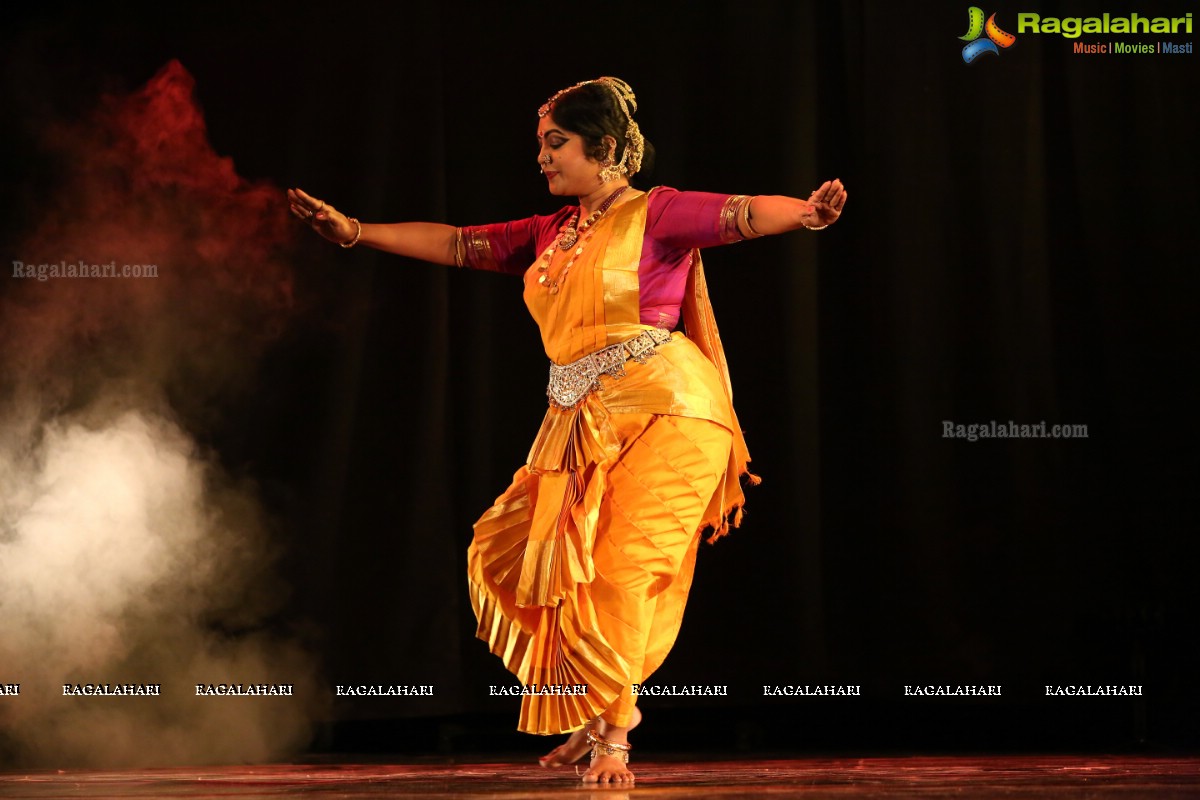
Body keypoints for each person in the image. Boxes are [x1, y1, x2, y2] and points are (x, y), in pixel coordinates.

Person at [289, 76, 846, 784]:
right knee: (518, 556)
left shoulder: (658, 214)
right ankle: (595, 709)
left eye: (557, 144)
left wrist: (806, 214)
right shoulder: (550, 235)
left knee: (622, 568)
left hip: (672, 414)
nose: (544, 159)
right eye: (542, 146)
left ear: (605, 148)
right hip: (583, 421)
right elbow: (459, 244)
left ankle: (614, 732)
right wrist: (357, 233)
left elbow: (737, 215)